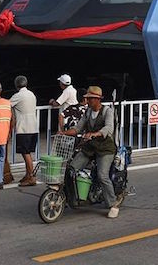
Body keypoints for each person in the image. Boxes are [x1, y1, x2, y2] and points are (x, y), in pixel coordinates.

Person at [62, 86, 121, 219]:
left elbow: (109, 128)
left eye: (89, 98)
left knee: (102, 175)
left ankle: (112, 204)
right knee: (71, 169)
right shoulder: (88, 112)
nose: (87, 100)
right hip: (90, 147)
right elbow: (78, 128)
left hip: (105, 149)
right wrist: (65, 133)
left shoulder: (107, 111)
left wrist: (95, 134)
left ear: (97, 99)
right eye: (87, 98)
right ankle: (71, 197)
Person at [9, 75, 39, 186]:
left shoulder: (18, 95)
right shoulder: (31, 94)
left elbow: (7, 104)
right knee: (27, 152)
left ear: (16, 85)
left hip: (23, 128)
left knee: (25, 153)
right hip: (33, 126)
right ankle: (27, 175)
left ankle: (31, 176)